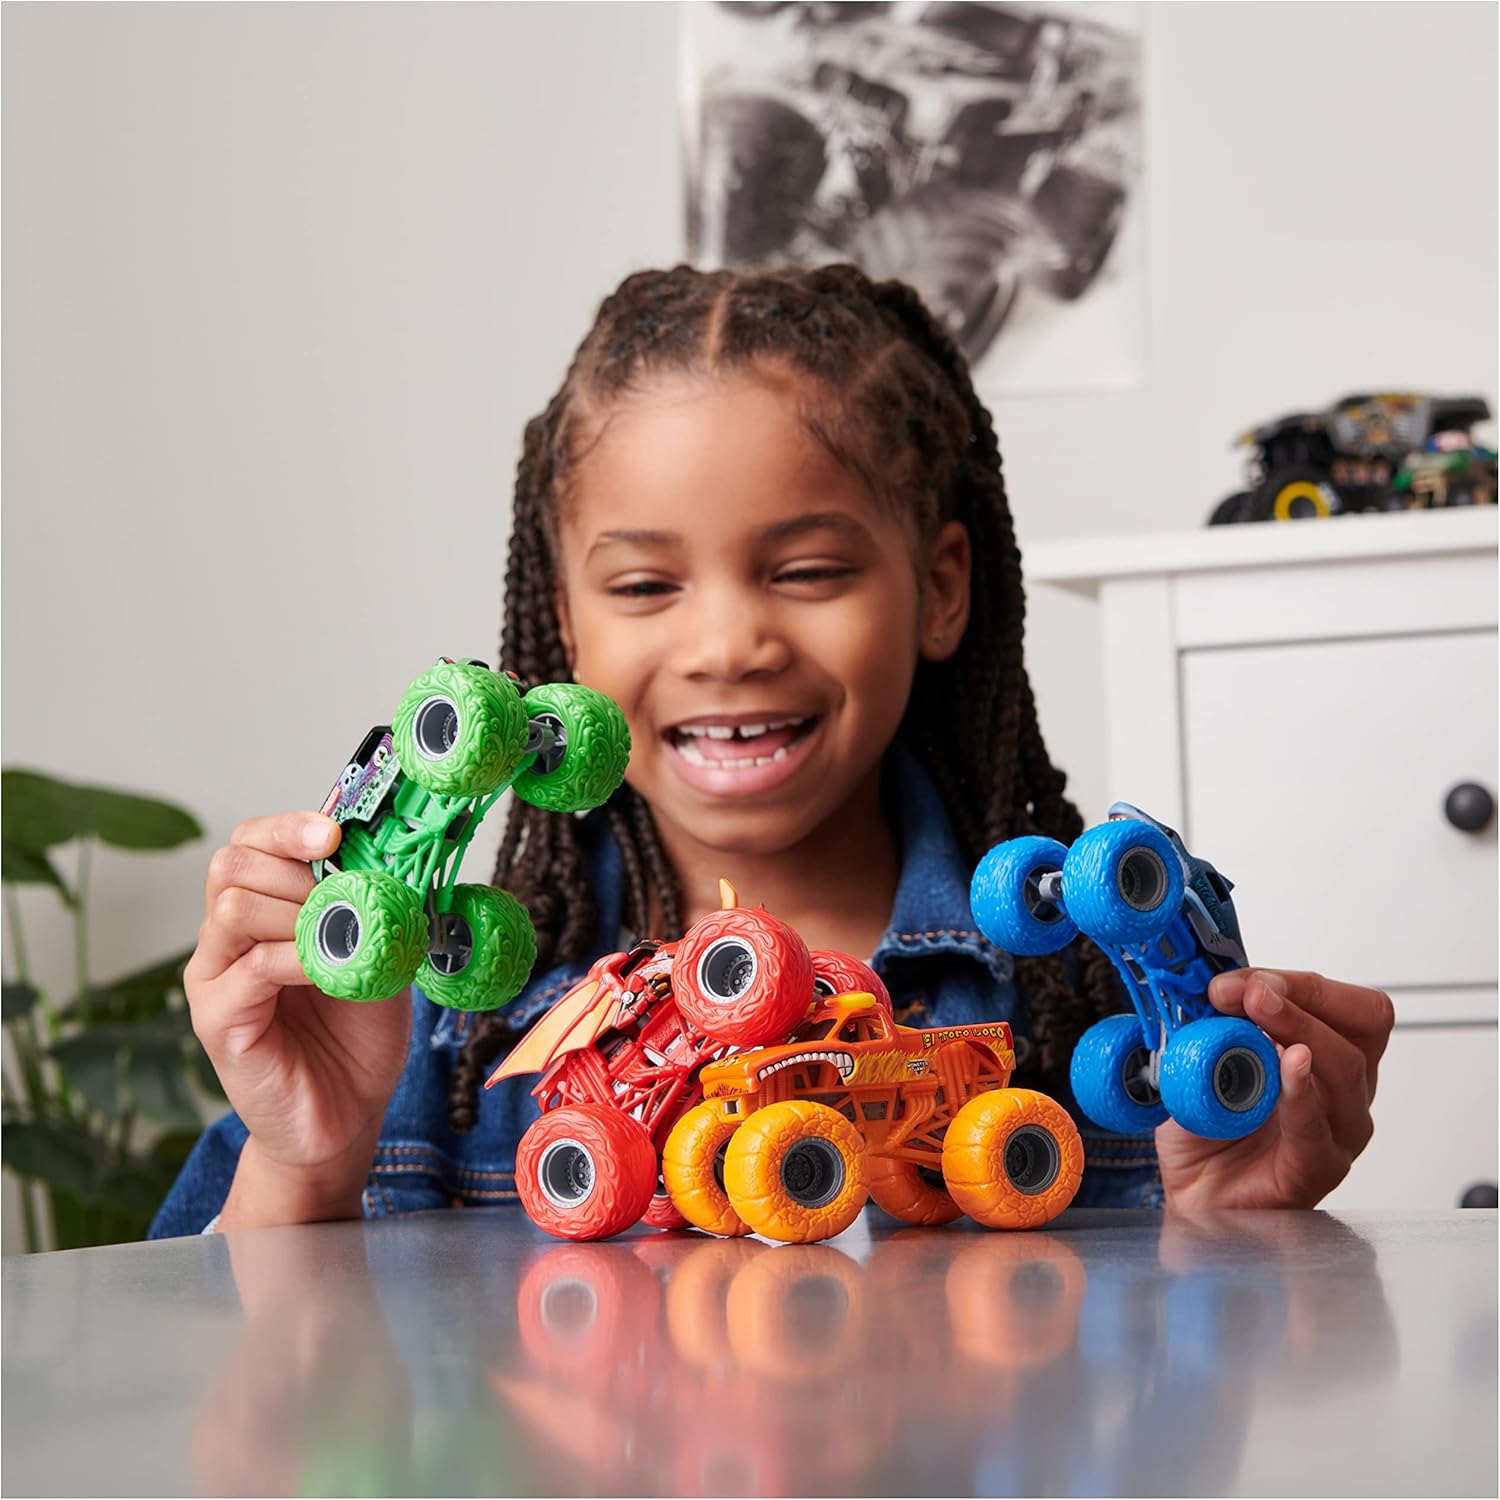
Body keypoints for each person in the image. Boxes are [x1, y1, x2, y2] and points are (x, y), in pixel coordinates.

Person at [149, 264, 1394, 1237]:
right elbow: (225, 1417)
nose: (729, 640)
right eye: (644, 584)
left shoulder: (1072, 999)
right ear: (564, 628)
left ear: (942, 590)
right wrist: (305, 1165)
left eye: (805, 571)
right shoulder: (431, 1031)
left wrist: (1228, 1226)